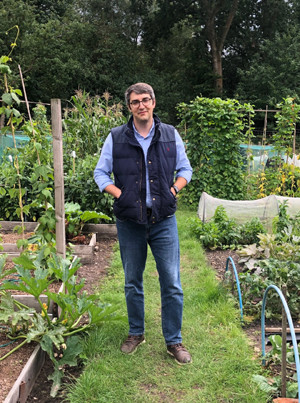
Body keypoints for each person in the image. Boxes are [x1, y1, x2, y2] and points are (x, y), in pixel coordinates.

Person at [94, 83, 193, 365]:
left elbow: (186, 169)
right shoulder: (116, 137)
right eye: (135, 102)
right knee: (131, 281)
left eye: (145, 100)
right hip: (130, 221)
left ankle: (174, 340)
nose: (141, 105)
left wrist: (172, 191)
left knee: (172, 282)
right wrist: (121, 195)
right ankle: (136, 333)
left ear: (154, 102)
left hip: (163, 220)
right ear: (130, 107)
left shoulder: (170, 135)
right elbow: (100, 173)